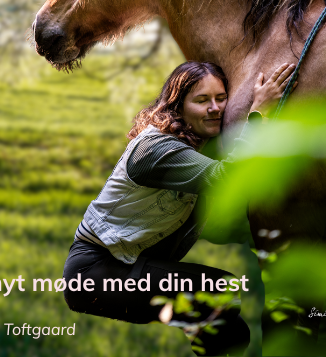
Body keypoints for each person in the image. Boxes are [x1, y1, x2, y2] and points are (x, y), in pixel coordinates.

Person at [63, 61, 296, 356]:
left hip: (128, 266)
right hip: (95, 272)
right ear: (178, 107)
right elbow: (226, 178)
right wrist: (258, 114)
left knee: (232, 333)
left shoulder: (197, 145)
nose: (215, 108)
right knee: (218, 290)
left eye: (221, 98)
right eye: (202, 100)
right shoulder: (155, 150)